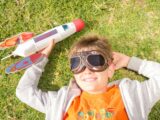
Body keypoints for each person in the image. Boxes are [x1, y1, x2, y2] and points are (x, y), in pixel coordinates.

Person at [16, 35, 160, 120]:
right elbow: (24, 91)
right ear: (74, 73)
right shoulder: (59, 102)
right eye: (77, 63)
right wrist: (41, 59)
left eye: (95, 61)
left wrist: (129, 61)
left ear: (110, 69)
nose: (86, 70)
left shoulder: (133, 95)